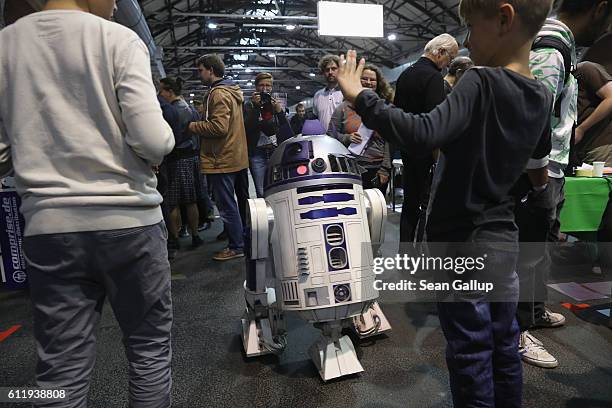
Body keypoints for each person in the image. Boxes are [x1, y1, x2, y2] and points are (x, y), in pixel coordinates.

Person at [336, 0, 555, 404]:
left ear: (504, 19)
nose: (467, 40)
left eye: (471, 27)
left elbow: (422, 132)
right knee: (503, 344)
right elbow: (535, 168)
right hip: (504, 239)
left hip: (460, 243)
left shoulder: (480, 82)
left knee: (470, 351)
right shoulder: (541, 95)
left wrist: (360, 97)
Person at [0, 0, 175, 406]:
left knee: (61, 367)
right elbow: (152, 138)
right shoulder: (118, 39)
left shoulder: (6, 44)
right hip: (130, 219)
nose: (115, 4)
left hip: (50, 227)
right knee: (149, 351)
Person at [516, 0, 612, 369]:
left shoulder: (560, 45)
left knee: (540, 248)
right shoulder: (552, 44)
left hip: (551, 167)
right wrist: (538, 177)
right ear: (598, 8)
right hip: (540, 170)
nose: (605, 30)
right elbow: (532, 114)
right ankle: (517, 331)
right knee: (526, 253)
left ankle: (533, 312)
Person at [393, 33, 459, 244]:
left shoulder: (405, 75)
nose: (448, 66)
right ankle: (422, 257)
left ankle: (405, 256)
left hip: (407, 149)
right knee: (427, 206)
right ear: (440, 52)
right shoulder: (433, 79)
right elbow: (435, 124)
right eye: (449, 59)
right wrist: (439, 159)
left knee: (409, 205)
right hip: (426, 154)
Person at [189, 54, 248, 261]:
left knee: (226, 205)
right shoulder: (231, 92)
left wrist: (193, 126)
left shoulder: (218, 94)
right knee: (237, 203)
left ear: (211, 71)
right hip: (236, 155)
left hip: (221, 158)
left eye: (201, 70)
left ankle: (237, 246)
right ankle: (242, 240)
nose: (199, 74)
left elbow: (219, 128)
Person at [328, 64, 393, 193]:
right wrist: (347, 137)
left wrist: (385, 168)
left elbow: (390, 141)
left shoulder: (386, 108)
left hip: (377, 169)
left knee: (376, 210)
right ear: (358, 80)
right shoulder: (342, 108)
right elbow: (330, 135)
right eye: (364, 78)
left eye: (372, 79)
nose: (368, 82)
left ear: (378, 83)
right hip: (350, 168)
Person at [158, 77, 203, 252]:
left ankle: (174, 239)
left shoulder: (173, 110)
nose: (159, 94)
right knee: (191, 201)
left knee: (173, 202)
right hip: (192, 158)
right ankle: (195, 235)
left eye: (161, 90)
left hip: (177, 159)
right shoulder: (191, 108)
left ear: (169, 91)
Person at [243, 72, 293, 197]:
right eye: (261, 85)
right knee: (261, 191)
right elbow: (247, 128)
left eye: (268, 85)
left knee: (279, 189)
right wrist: (255, 108)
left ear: (271, 87)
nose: (264, 88)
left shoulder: (275, 104)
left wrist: (279, 111)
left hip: (275, 152)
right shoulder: (248, 105)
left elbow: (288, 132)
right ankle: (265, 216)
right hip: (256, 154)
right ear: (256, 87)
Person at [574, 61, 612, 166]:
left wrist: (581, 129)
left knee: (602, 182)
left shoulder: (585, 69)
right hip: (579, 150)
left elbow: (611, 97)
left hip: (600, 147)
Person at [313, 54, 344, 132]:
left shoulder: (345, 93)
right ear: (323, 73)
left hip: (341, 141)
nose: (330, 72)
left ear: (340, 70)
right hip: (322, 140)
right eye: (327, 70)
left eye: (333, 69)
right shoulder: (318, 95)